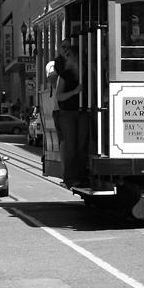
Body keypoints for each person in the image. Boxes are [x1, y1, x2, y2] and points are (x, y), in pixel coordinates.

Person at [57, 45, 85, 187]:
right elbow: (59, 96)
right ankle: (70, 178)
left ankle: (81, 176)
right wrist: (74, 92)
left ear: (75, 57)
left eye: (69, 55)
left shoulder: (86, 72)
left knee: (82, 145)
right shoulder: (64, 75)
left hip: (84, 112)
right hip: (67, 114)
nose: (66, 58)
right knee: (71, 146)